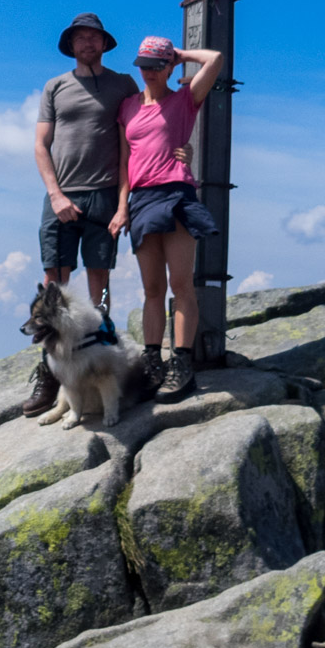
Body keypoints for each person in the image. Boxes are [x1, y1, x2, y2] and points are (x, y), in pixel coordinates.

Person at [23, 13, 139, 417]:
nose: (87, 43)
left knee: (99, 284)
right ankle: (50, 375)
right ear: (71, 45)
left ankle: (102, 361)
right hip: (61, 195)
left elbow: (132, 145)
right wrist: (55, 195)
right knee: (52, 283)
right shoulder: (55, 86)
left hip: (105, 195)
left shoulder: (124, 85)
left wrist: (123, 204)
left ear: (104, 44)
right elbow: (41, 145)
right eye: (80, 38)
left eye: (94, 38)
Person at [108, 35, 224, 403]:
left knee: (181, 285)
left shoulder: (185, 101)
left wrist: (180, 55)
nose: (149, 73)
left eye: (157, 66)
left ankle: (182, 365)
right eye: (144, 65)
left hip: (175, 194)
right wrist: (122, 207)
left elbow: (216, 59)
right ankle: (153, 362)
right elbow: (125, 164)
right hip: (141, 200)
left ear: (169, 67)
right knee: (152, 290)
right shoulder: (127, 107)